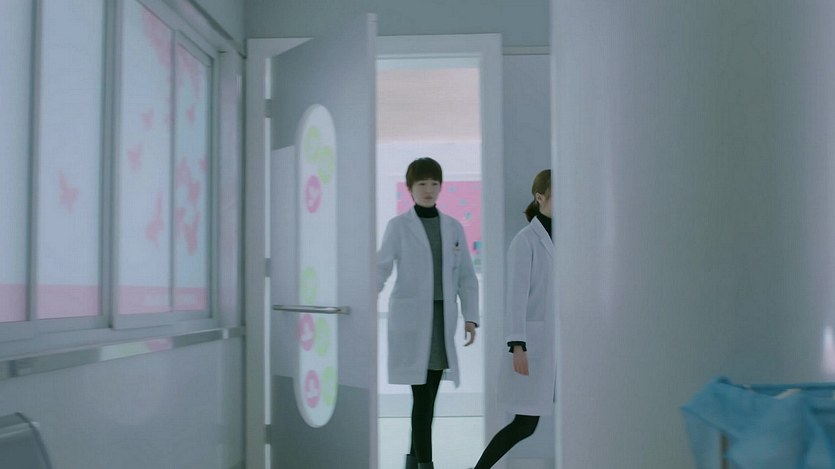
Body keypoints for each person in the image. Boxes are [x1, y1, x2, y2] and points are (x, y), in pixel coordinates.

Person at [377, 157, 480, 469]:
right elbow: (380, 268)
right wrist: (362, 304)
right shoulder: (398, 226)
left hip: (440, 321)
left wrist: (471, 316)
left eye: (434, 183)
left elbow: (466, 277)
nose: (428, 189)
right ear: (410, 188)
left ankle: (413, 461)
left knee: (426, 396)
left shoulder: (453, 227)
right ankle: (425, 464)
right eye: (422, 183)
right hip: (411, 322)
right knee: (423, 398)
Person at [471, 169, 555, 469]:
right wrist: (517, 344)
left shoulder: (570, 236)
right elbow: (516, 297)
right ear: (539, 197)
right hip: (536, 343)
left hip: (564, 343)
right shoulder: (525, 241)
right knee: (526, 423)